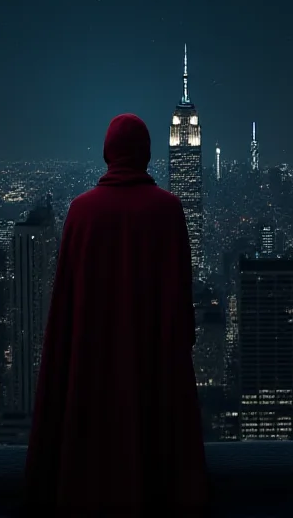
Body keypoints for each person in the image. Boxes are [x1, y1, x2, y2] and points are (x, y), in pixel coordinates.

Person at [25, 113, 209, 514]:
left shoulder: (81, 212)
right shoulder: (168, 211)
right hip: (153, 369)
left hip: (92, 372)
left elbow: (65, 311)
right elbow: (180, 308)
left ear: (108, 152)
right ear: (145, 153)